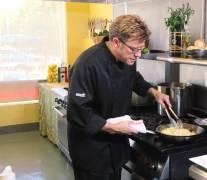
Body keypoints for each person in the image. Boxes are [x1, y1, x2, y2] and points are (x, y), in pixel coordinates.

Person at [67, 15, 171, 180]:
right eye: (134, 49)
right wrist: (116, 127)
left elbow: (134, 78)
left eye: (141, 50)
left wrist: (155, 92)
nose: (137, 55)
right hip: (91, 151)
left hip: (115, 147)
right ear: (116, 41)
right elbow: (78, 111)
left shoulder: (127, 57)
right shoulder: (87, 64)